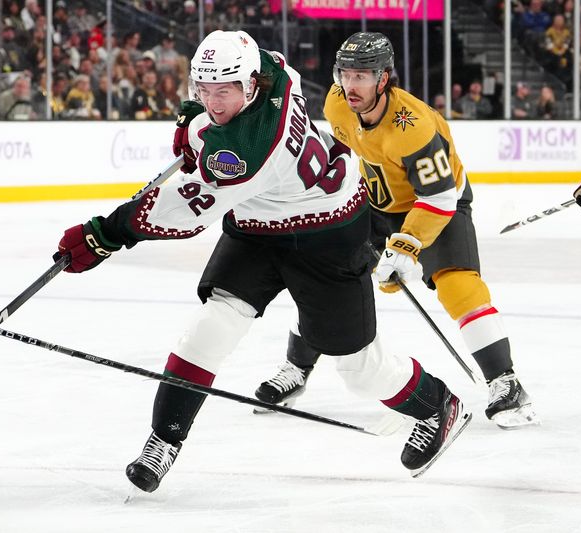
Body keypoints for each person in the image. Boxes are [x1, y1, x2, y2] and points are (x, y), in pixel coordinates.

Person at [55, 30, 471, 492]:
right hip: (257, 226)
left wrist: (106, 234)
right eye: (203, 91)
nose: (214, 103)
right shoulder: (274, 70)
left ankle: (436, 405)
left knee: (359, 369)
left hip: (326, 232)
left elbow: (183, 211)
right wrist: (196, 124)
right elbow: (235, 99)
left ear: (250, 84)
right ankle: (162, 441)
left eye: (224, 92)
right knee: (211, 326)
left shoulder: (247, 154)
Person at [256, 32, 538, 430]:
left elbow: (438, 195)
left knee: (457, 284)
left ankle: (506, 382)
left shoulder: (414, 126)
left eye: (362, 76)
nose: (350, 85)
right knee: (324, 276)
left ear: (384, 78)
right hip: (374, 205)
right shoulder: (338, 103)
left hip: (439, 204)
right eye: (345, 74)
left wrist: (404, 248)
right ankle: (296, 367)